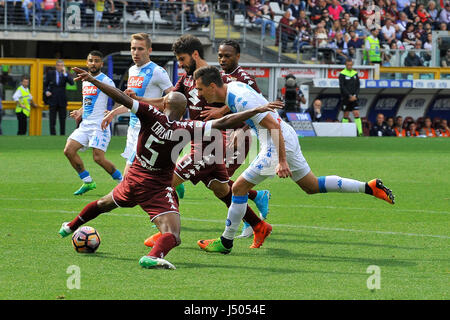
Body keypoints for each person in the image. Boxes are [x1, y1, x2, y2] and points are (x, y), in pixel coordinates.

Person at [60, 67, 281, 269]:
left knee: (103, 204)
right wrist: (256, 110)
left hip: (133, 177)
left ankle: (70, 226)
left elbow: (121, 97)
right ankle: (155, 254)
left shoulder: (149, 114)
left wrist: (92, 80)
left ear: (164, 104)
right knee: (174, 234)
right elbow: (224, 123)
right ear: (185, 109)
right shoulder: (186, 126)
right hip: (155, 185)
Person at [193, 66, 395, 254]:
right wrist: (231, 119)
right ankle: (369, 187)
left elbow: (272, 126)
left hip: (277, 141)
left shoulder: (239, 98)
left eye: (201, 90)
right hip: (285, 136)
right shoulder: (233, 88)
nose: (199, 95)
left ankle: (226, 242)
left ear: (212, 86)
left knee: (238, 188)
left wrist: (281, 161)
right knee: (311, 186)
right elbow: (259, 110)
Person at [132, 35, 271, 248]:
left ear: (195, 55)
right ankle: (258, 225)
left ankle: (166, 234)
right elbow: (166, 102)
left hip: (216, 143)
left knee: (166, 183)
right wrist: (138, 101)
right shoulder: (187, 79)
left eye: (182, 59)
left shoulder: (216, 77)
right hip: (199, 142)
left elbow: (248, 103)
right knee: (221, 189)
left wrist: (238, 127)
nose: (180, 64)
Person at [101, 33, 177, 189]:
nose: (136, 52)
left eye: (140, 49)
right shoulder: (132, 71)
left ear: (149, 50)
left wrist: (149, 106)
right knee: (146, 171)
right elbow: (132, 103)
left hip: (148, 129)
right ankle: (171, 179)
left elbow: (174, 101)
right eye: (133, 48)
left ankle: (116, 198)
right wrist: (112, 113)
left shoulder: (158, 71)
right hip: (133, 127)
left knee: (129, 175)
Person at [216, 39, 271, 238]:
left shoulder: (245, 78)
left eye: (227, 55)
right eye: (220, 55)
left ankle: (251, 222)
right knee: (219, 180)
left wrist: (243, 129)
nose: (222, 59)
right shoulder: (220, 77)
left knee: (221, 181)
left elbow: (258, 107)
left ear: (238, 56)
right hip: (222, 135)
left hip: (239, 135)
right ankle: (256, 197)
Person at [63, 51, 123, 196]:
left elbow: (120, 97)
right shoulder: (84, 80)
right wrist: (79, 111)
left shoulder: (106, 81)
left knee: (98, 158)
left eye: (97, 61)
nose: (93, 63)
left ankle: (123, 182)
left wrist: (112, 112)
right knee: (68, 150)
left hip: (99, 125)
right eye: (91, 60)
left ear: (101, 64)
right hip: (85, 125)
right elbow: (87, 102)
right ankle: (88, 181)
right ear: (87, 63)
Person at [44, 59, 74, 135]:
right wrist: (46, 91)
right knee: (52, 119)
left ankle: (62, 134)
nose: (60, 67)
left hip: (62, 100)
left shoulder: (66, 74)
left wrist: (65, 74)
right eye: (58, 65)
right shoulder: (50, 73)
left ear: (63, 67)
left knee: (62, 119)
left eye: (61, 65)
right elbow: (45, 84)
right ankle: (52, 135)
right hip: (52, 99)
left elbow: (71, 83)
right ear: (56, 66)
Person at [339, 59, 363, 136]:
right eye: (348, 65)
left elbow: (358, 86)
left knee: (356, 113)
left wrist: (355, 95)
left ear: (352, 65)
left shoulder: (355, 73)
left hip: (354, 98)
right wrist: (349, 95)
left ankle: (360, 132)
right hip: (346, 98)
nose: (349, 66)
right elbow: (342, 87)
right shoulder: (342, 74)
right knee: (346, 114)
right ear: (345, 65)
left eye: (350, 65)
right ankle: (343, 132)